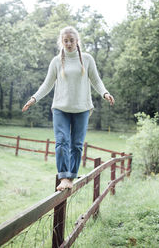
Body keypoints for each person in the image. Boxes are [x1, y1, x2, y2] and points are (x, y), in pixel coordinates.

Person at [22, 26, 115, 191]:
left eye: (72, 40)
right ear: (62, 42)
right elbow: (47, 84)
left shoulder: (87, 59)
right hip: (60, 109)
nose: (69, 43)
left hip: (82, 109)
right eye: (66, 41)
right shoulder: (56, 61)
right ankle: (63, 177)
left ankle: (71, 176)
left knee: (77, 144)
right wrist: (33, 98)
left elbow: (96, 80)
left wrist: (105, 93)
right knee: (62, 141)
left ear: (77, 41)